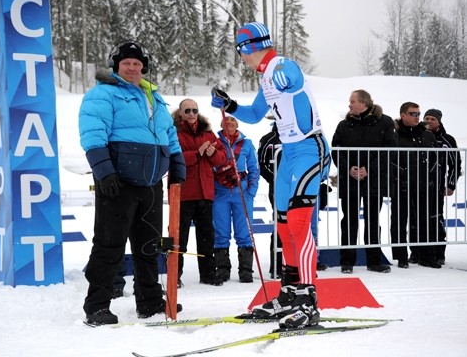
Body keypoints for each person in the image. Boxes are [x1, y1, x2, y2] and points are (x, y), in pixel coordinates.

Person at [211, 22, 331, 329]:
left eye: (241, 52)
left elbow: (293, 77)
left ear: (248, 48)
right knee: (284, 225)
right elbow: (253, 114)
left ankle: (308, 300)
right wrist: (230, 105)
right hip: (287, 154)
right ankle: (290, 293)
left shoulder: (280, 65)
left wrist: (286, 79)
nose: (242, 59)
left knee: (301, 224)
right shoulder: (266, 78)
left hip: (309, 149)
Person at [78, 41, 186, 326]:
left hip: (151, 184)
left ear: (143, 67)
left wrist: (177, 165)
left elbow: (168, 134)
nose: (132, 68)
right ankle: (97, 305)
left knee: (149, 246)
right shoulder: (103, 94)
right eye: (126, 63)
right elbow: (92, 132)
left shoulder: (154, 96)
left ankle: (149, 301)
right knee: (109, 245)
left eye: (137, 64)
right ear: (116, 66)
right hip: (118, 182)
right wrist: (104, 170)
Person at [331, 90, 397, 274]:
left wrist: (369, 169)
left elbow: (389, 150)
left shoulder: (384, 122)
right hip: (350, 181)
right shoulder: (344, 125)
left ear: (364, 103)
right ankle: (347, 261)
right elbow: (336, 149)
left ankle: (374, 261)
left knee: (373, 220)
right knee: (349, 221)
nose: (349, 105)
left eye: (352, 101)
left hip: (374, 181)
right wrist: (348, 169)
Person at [258, 121, 329, 276]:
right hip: (280, 186)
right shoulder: (269, 138)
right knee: (281, 226)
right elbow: (263, 164)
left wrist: (316, 178)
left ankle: (307, 270)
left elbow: (324, 158)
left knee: (303, 226)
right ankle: (278, 267)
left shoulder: (310, 135)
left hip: (303, 185)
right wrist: (277, 180)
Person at [171, 98, 227, 288]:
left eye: (195, 110)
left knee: (207, 237)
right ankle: (174, 276)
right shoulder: (174, 132)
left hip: (205, 193)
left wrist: (211, 153)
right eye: (187, 110)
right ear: (180, 113)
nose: (192, 114)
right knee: (179, 238)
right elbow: (173, 159)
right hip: (183, 193)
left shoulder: (208, 133)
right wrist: (198, 153)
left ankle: (208, 274)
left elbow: (222, 158)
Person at [391, 102, 441, 269]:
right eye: (413, 114)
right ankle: (401, 256)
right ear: (403, 115)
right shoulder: (395, 135)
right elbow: (389, 159)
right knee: (399, 220)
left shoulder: (427, 135)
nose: (417, 117)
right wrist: (400, 174)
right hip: (402, 184)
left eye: (418, 114)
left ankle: (426, 255)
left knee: (424, 220)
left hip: (424, 184)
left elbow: (436, 158)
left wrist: (431, 177)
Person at [213, 116, 259, 283]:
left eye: (233, 122)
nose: (230, 123)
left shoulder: (247, 144)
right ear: (221, 125)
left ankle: (246, 270)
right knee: (221, 231)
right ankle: (223, 269)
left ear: (237, 125)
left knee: (244, 232)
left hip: (242, 192)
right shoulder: (215, 142)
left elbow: (254, 167)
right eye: (227, 121)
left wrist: (251, 191)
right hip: (221, 193)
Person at [423, 108, 461, 265]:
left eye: (433, 119)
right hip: (416, 186)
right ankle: (417, 252)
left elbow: (455, 164)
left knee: (436, 218)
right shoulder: (418, 137)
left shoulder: (448, 140)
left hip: (437, 187)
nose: (429, 121)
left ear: (439, 121)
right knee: (415, 219)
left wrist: (450, 184)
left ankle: (439, 253)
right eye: (427, 118)